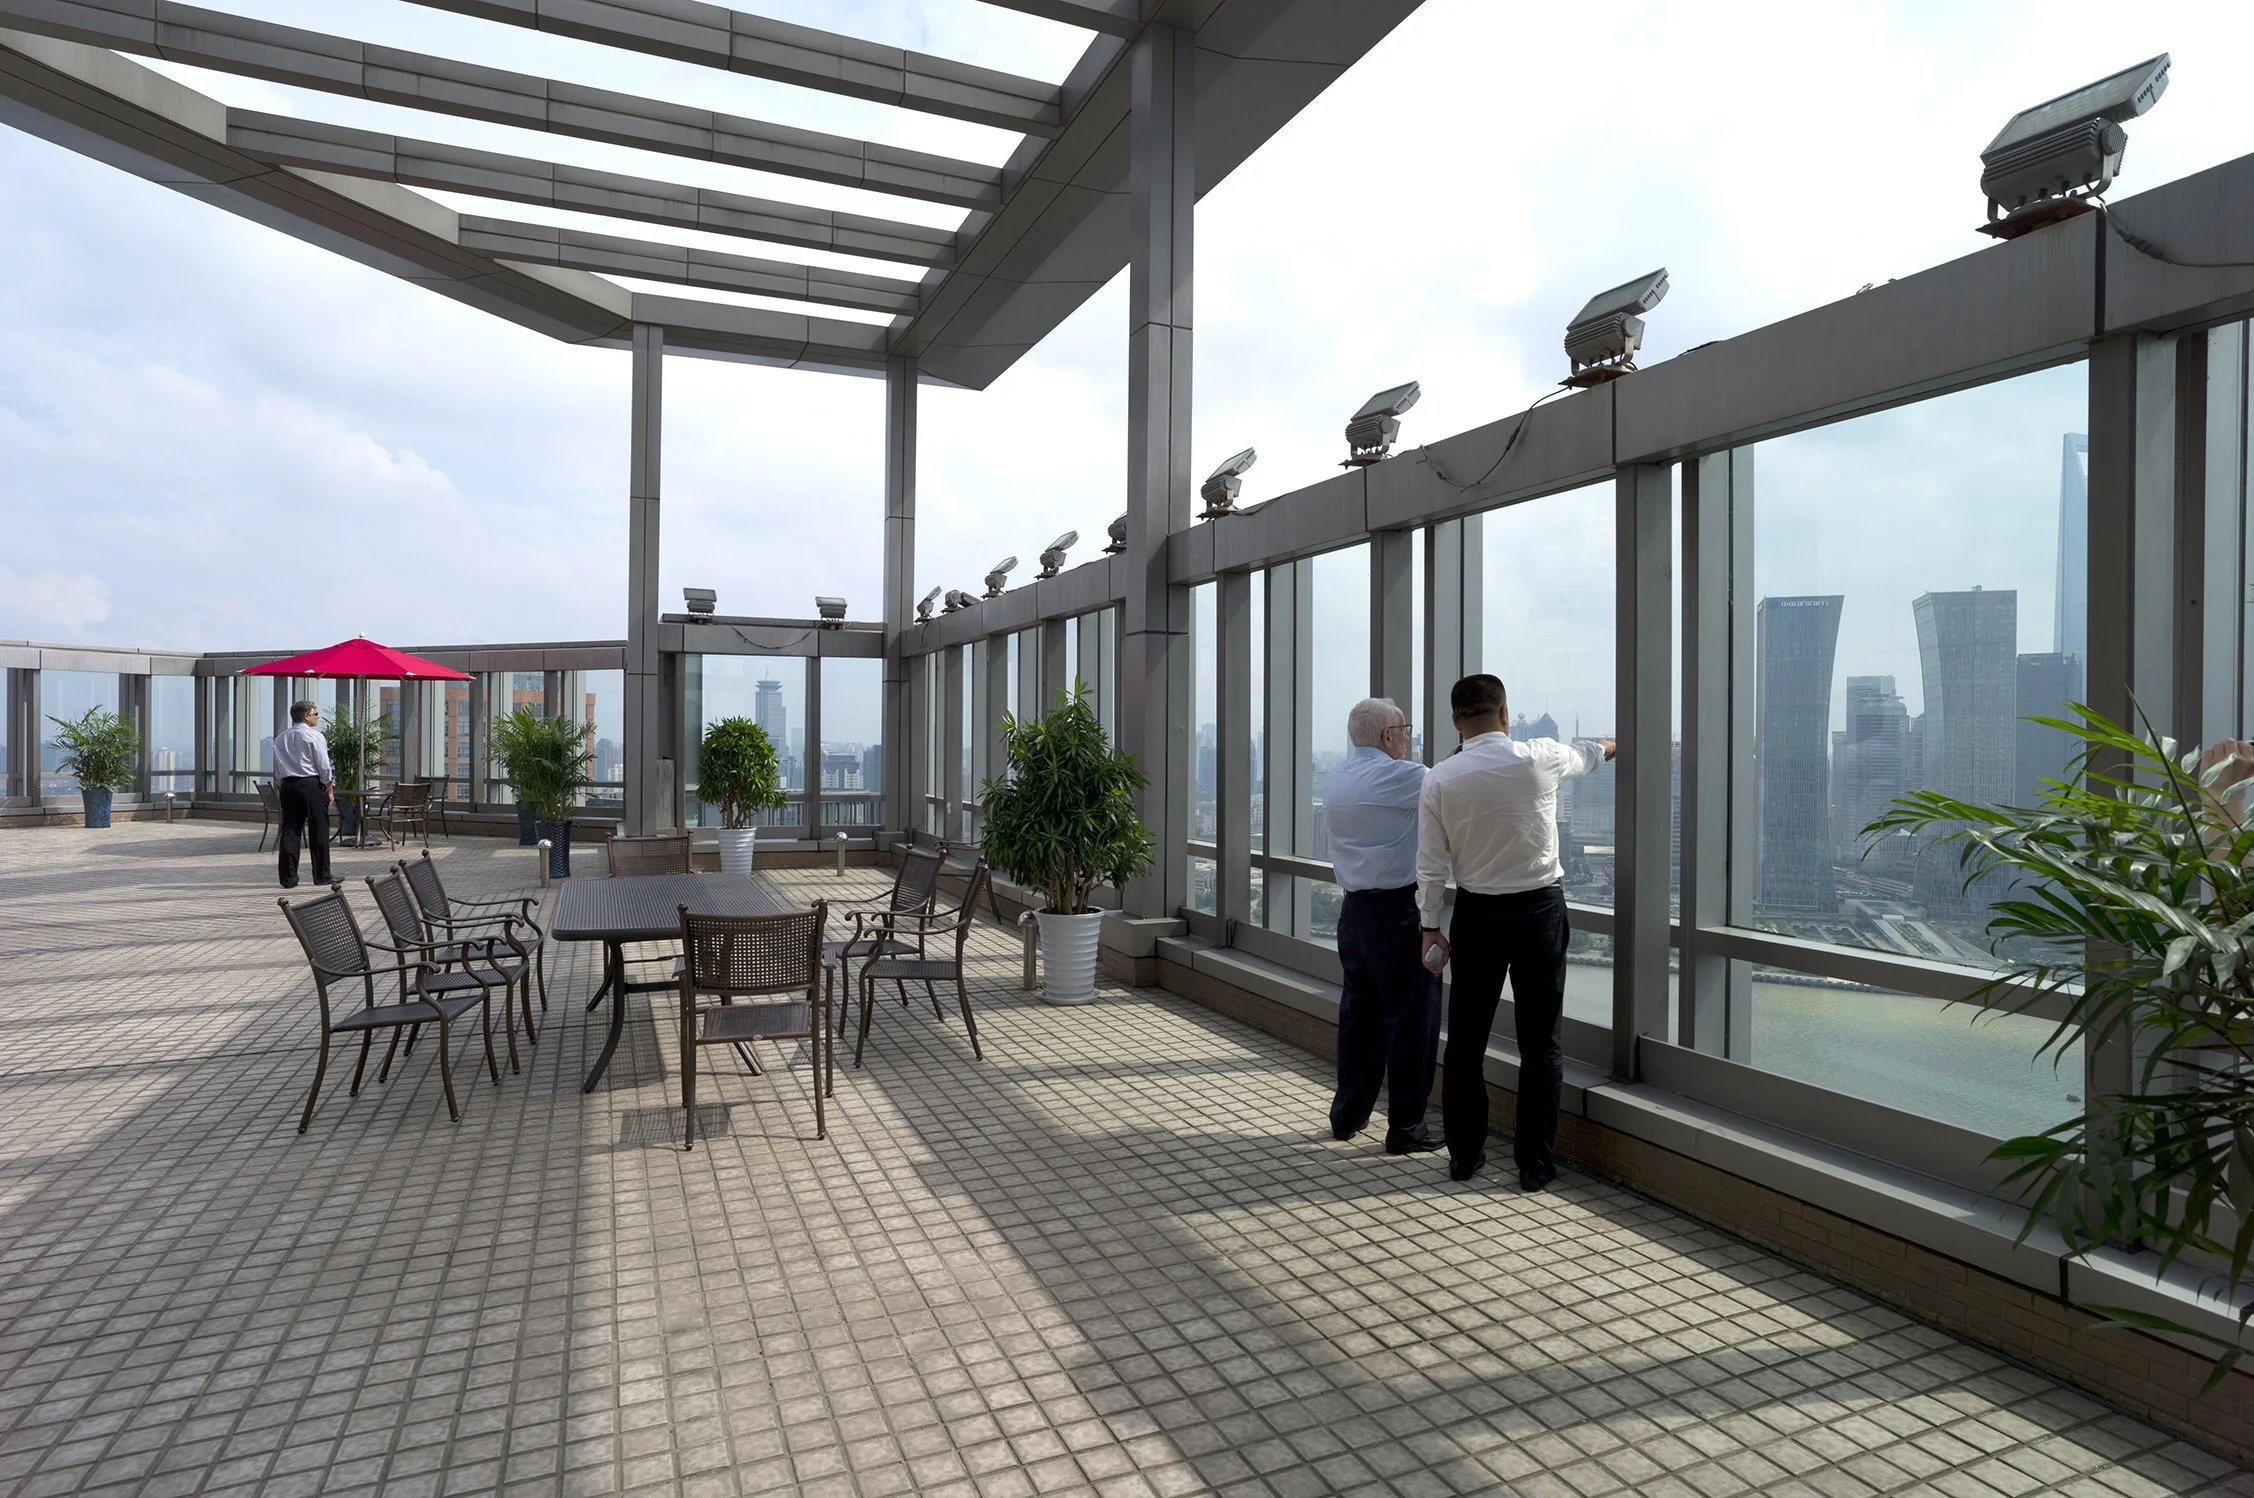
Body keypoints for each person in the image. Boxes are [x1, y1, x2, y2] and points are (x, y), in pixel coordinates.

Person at [1416, 675, 1613, 1189]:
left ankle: (1464, 1155)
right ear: (1505, 715)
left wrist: (1429, 927)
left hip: (1477, 914)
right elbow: (1588, 755)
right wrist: (1615, 744)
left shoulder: (1439, 778)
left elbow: (1431, 867)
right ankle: (1535, 1164)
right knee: (1540, 1043)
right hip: (1539, 912)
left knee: (1465, 1041)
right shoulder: (1538, 756)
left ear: (1456, 722)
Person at [1323, 698, 1441, 1155]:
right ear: (1389, 736)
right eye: (1405, 730)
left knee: (1359, 1018)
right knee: (1411, 1020)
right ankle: (1407, 1128)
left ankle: (1348, 1115)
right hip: (1397, 915)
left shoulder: (1337, 776)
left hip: (1353, 913)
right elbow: (1447, 784)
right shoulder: (1401, 775)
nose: (1408, 738)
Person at [273, 699, 335, 889]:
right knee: (319, 830)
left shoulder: (280, 738)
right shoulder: (315, 736)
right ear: (306, 716)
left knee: (290, 831)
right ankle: (322, 875)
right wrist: (329, 787)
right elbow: (323, 765)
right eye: (316, 714)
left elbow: (276, 769)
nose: (318, 717)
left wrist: (281, 787)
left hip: (288, 785)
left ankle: (288, 878)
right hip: (310, 784)